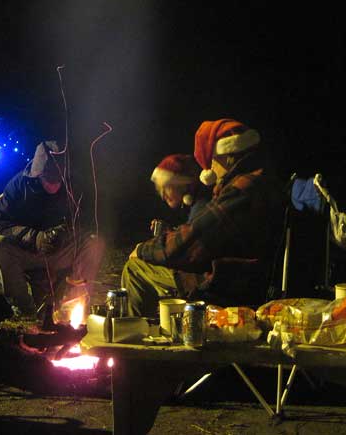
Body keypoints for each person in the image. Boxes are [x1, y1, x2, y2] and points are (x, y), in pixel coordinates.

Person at [122, 118, 286, 317]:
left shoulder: (242, 190)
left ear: (226, 155)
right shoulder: (259, 178)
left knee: (135, 269)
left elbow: (194, 238)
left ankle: (135, 339)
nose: (209, 169)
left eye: (211, 161)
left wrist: (143, 249)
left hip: (229, 282)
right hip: (241, 275)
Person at [0, 140, 105, 322]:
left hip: (60, 253)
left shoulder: (74, 185)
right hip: (28, 252)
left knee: (94, 243)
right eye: (48, 180)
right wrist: (35, 238)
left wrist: (66, 232)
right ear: (37, 174)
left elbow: (88, 221)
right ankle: (25, 312)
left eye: (58, 180)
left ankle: (73, 305)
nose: (53, 186)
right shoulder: (19, 186)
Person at [149, 153, 211, 233]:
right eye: (160, 190)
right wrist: (168, 232)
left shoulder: (200, 209)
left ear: (182, 185)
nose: (163, 196)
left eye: (166, 188)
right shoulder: (192, 205)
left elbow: (191, 241)